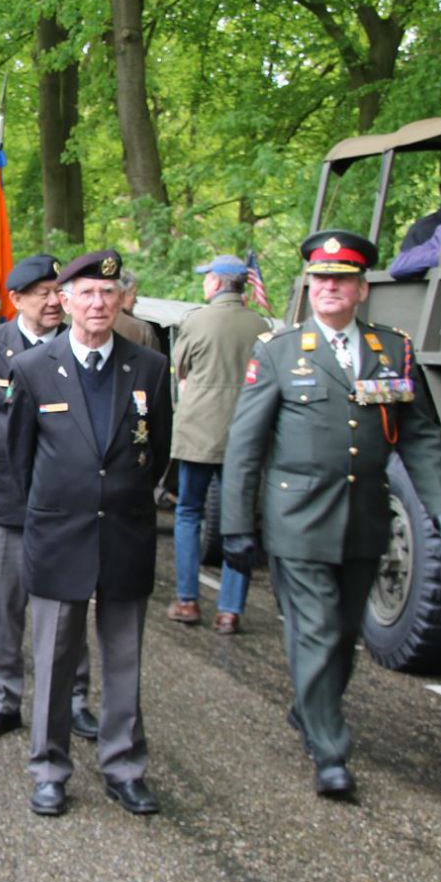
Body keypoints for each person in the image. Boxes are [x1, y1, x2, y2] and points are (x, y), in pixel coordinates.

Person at [221, 230, 441, 798]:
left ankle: (311, 706)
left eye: (342, 279)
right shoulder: (278, 352)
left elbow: (419, 435)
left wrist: (439, 504)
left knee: (346, 633)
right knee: (319, 629)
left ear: (362, 288)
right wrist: (234, 523)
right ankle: (330, 750)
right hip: (297, 518)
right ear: (309, 286)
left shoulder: (391, 350)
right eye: (322, 279)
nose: (330, 288)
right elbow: (245, 445)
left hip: (364, 518)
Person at [7, 250, 171, 818]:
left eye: (108, 293)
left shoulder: (148, 366)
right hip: (59, 534)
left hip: (126, 533)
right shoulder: (32, 369)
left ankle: (124, 766)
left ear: (122, 299)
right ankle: (49, 769)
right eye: (86, 293)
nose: (98, 303)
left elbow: (160, 451)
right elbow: (20, 457)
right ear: (65, 301)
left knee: (124, 658)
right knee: (54, 659)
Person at [0, 253, 98, 743]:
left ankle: (74, 698)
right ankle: (2, 699)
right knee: (1, 607)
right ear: (16, 299)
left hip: (65, 508)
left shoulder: (82, 347)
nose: (52, 300)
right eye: (40, 292)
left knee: (67, 609)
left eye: (56, 290)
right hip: (4, 504)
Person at [165, 253, 271, 634]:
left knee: (189, 512)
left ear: (217, 283)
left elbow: (182, 369)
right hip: (244, 435)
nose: (204, 282)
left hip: (198, 432)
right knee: (237, 522)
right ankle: (230, 610)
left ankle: (188, 601)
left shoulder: (197, 320)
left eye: (207, 276)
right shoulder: (261, 324)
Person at [112, 266, 165, 354]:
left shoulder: (93, 322)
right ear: (122, 294)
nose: (136, 300)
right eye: (134, 293)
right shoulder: (143, 329)